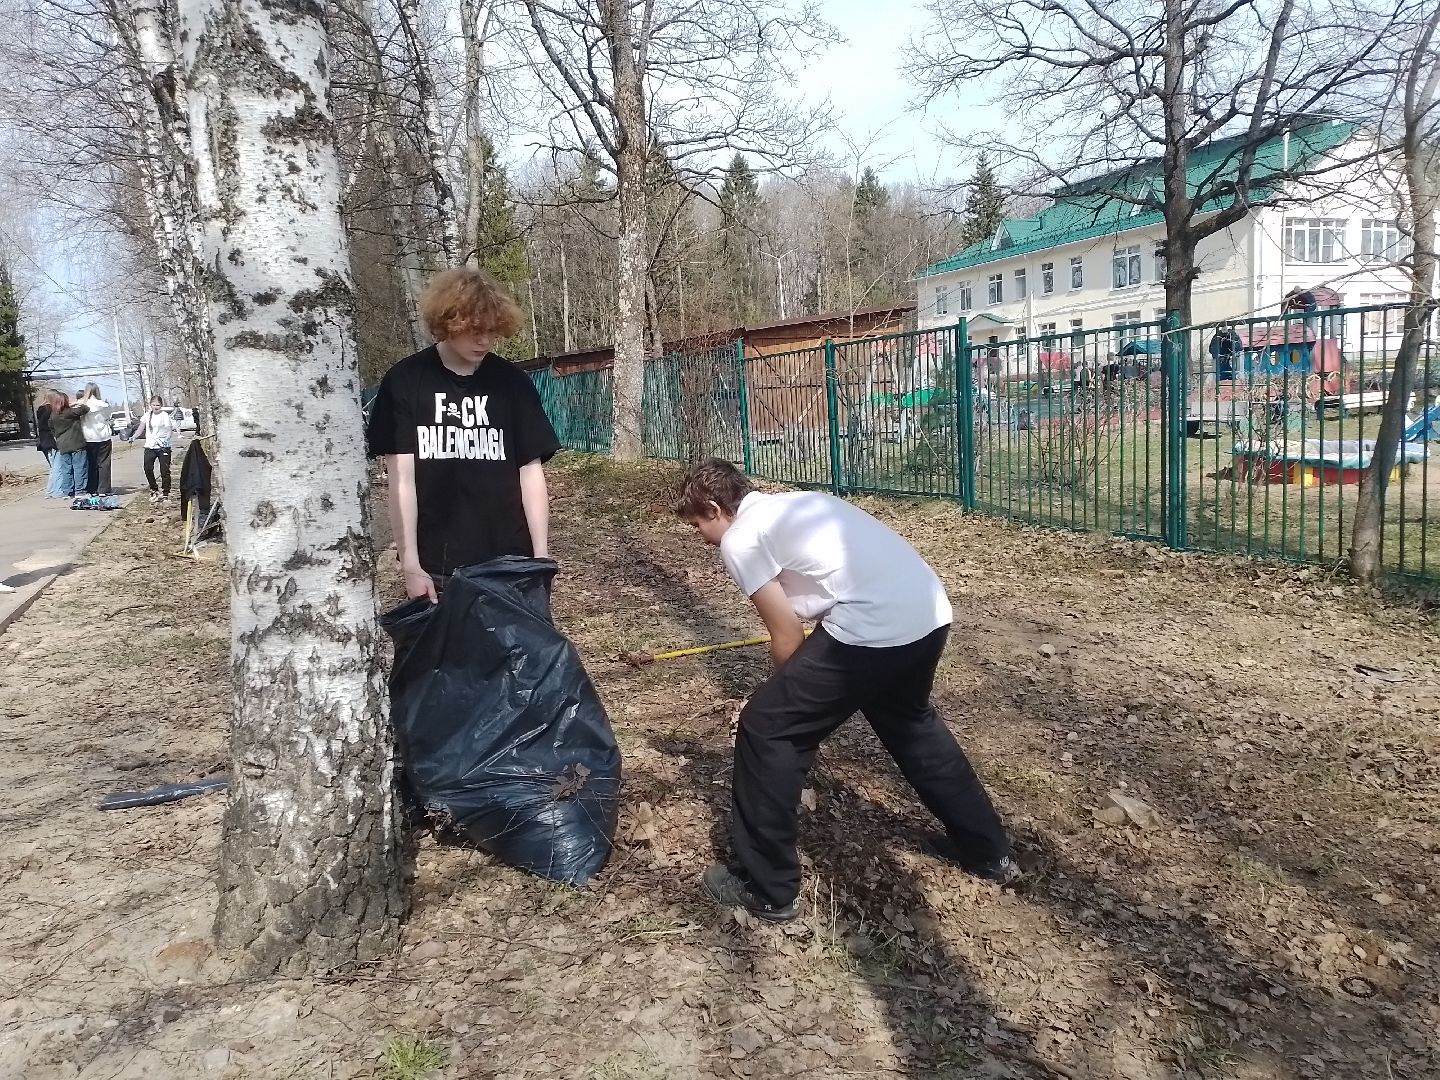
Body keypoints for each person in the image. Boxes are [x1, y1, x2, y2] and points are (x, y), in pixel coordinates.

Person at [675, 459, 1017, 922]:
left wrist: (784, 702)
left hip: (876, 624)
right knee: (910, 723)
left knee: (767, 728)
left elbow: (787, 635)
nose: (702, 535)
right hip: (928, 611)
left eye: (698, 524)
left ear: (714, 508)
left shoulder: (741, 539)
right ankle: (988, 851)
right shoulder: (796, 503)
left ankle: (768, 888)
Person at [366, 267, 559, 601]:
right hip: (438, 566)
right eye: (473, 330)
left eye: (491, 331)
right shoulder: (406, 382)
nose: (483, 340)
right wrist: (411, 563)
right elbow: (401, 480)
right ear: (448, 322)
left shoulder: (513, 384)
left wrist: (540, 558)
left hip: (510, 562)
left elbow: (530, 472)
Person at [124, 395, 175, 502]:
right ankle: (154, 489)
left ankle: (166, 492)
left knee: (164, 470)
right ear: (150, 405)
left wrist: (166, 439)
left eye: (158, 405)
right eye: (154, 405)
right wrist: (133, 437)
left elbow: (169, 429)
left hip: (163, 447)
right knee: (147, 468)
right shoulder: (147, 416)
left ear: (161, 405)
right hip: (150, 446)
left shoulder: (164, 415)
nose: (156, 407)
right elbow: (140, 429)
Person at [45, 391, 89, 499]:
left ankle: (68, 492)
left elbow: (52, 429)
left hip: (63, 446)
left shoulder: (53, 416)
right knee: (79, 468)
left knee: (66, 469)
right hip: (76, 443)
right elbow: (85, 409)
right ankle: (80, 491)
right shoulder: (70, 412)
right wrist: (75, 403)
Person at [79, 383, 114, 496]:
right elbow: (107, 419)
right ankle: (104, 489)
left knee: (91, 463)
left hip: (89, 437)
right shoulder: (103, 405)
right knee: (104, 463)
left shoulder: (82, 405)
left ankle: (92, 488)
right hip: (104, 436)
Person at [34, 392, 56, 464]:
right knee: (56, 467)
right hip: (52, 440)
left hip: (43, 440)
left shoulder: (40, 410)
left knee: (52, 464)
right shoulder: (51, 409)